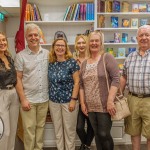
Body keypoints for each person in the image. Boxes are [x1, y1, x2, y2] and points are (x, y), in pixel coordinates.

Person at [80, 31, 120, 150]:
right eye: (91, 41)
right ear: (88, 44)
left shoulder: (107, 57)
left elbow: (116, 79)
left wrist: (110, 101)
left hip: (105, 105)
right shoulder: (84, 63)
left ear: (101, 43)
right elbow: (81, 85)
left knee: (104, 134)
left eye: (96, 41)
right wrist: (82, 103)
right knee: (97, 135)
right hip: (90, 106)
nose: (94, 43)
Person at [14, 23, 49, 150]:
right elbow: (18, 78)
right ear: (26, 38)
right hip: (28, 100)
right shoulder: (20, 56)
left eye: (36, 35)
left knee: (40, 128)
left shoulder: (47, 54)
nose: (33, 37)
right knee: (29, 130)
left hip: (44, 99)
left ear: (40, 37)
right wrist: (23, 99)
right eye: (30, 35)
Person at [120, 25, 150, 150]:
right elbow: (123, 77)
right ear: (137, 38)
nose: (144, 38)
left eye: (147, 35)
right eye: (141, 35)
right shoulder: (130, 57)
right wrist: (119, 95)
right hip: (132, 99)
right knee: (134, 132)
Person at [48, 38, 80, 150]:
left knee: (69, 131)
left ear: (66, 48)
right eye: (57, 45)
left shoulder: (72, 62)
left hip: (69, 102)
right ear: (53, 47)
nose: (60, 47)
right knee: (58, 130)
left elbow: (77, 82)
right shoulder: (50, 63)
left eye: (62, 45)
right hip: (53, 102)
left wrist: (73, 99)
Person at [74, 35, 94, 150]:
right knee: (79, 127)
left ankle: (85, 146)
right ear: (76, 45)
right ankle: (86, 145)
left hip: (92, 98)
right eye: (79, 43)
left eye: (83, 43)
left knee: (92, 127)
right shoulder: (72, 60)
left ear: (87, 44)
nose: (81, 45)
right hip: (78, 99)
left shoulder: (92, 59)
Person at [0, 32, 20, 150]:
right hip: (1, 94)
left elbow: (16, 78)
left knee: (13, 131)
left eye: (3, 40)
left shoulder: (9, 57)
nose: (2, 43)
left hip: (13, 94)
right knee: (4, 131)